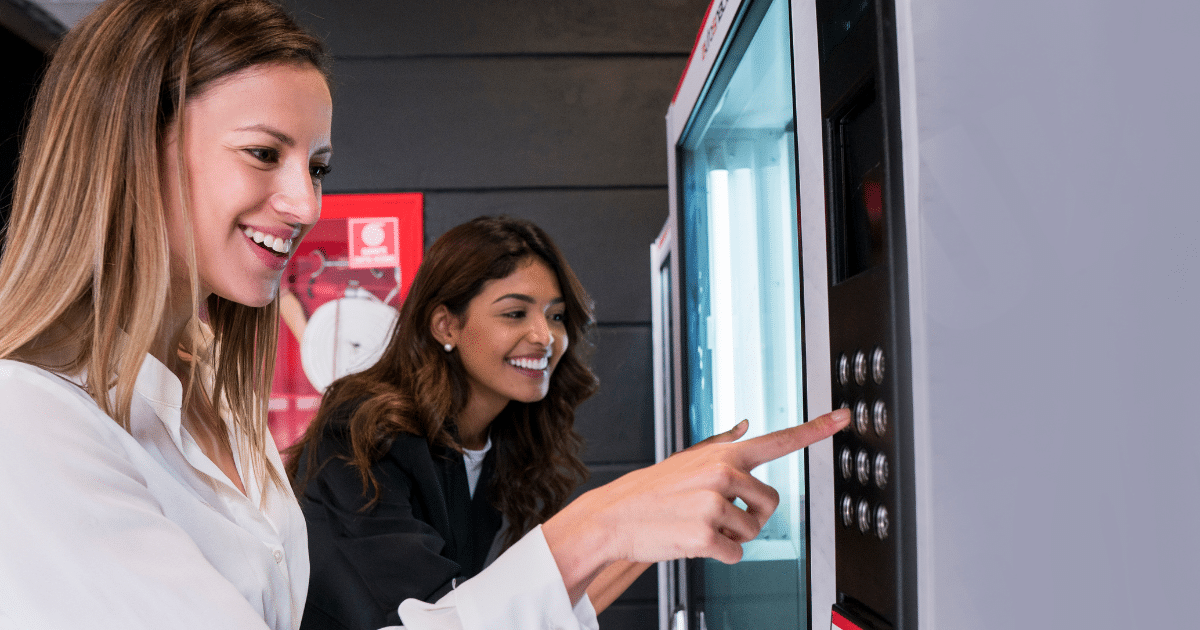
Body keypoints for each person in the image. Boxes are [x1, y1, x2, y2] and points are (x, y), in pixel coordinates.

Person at [0, 1, 850, 629]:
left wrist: (647, 515)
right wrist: (614, 521)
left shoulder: (213, 410)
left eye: (318, 164)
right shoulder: (31, 424)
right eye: (264, 153)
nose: (303, 203)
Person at [288, 216, 637, 628]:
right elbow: (436, 616)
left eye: (556, 316)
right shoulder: (359, 432)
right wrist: (633, 513)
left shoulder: (495, 440)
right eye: (515, 314)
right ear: (445, 324)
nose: (544, 336)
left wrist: (656, 526)